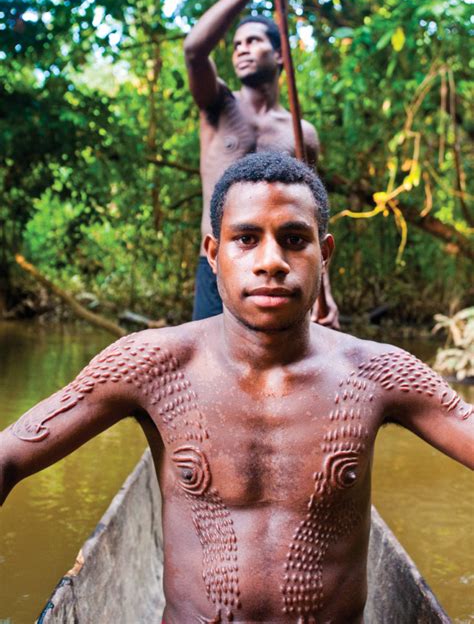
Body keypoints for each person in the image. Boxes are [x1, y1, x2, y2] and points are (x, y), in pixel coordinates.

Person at [1, 153, 472, 623]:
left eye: (294, 240)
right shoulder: (151, 364)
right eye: (246, 239)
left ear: (323, 254)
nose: (271, 262)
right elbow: (10, 455)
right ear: (213, 253)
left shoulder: (378, 372)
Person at [184, 0, 340, 328]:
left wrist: (324, 294)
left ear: (281, 55)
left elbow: (314, 215)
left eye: (253, 41)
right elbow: (195, 50)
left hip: (284, 269)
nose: (242, 50)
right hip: (220, 265)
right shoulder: (217, 106)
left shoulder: (300, 133)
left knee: (283, 379)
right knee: (213, 377)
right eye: (236, 44)